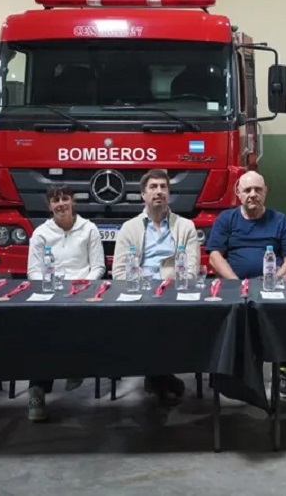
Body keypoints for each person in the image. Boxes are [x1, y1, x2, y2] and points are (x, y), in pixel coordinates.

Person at [206, 171, 286, 398]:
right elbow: (214, 256)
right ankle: (230, 374)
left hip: (272, 287)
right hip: (233, 287)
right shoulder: (226, 220)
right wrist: (236, 283)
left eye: (258, 189)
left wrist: (275, 279)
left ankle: (284, 374)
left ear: (265, 191)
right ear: (238, 193)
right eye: (247, 190)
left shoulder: (280, 220)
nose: (252, 194)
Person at [112, 168, 200, 404]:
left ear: (169, 193)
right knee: (147, 319)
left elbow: (191, 271)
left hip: (174, 292)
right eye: (153, 187)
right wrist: (145, 285)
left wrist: (163, 283)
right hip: (139, 294)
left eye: (163, 187)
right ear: (143, 194)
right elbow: (119, 273)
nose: (159, 192)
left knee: (166, 319)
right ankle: (161, 376)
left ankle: (156, 377)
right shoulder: (129, 228)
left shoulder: (186, 227)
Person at [25, 183, 105, 421]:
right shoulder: (40, 233)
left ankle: (74, 366)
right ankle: (37, 391)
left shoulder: (89, 229)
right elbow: (33, 272)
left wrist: (83, 287)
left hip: (83, 293)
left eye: (65, 199)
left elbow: (98, 267)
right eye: (55, 200)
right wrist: (51, 289)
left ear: (73, 201)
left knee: (76, 324)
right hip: (50, 294)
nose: (61, 204)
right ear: (49, 206)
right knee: (42, 335)